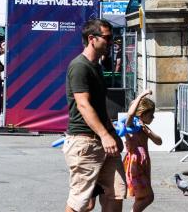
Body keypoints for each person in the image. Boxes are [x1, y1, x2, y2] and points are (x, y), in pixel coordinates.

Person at [63, 19, 126, 212]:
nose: (111, 41)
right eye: (107, 37)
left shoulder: (96, 66)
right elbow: (83, 104)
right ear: (92, 39)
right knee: (80, 202)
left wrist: (111, 133)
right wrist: (105, 135)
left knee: (116, 192)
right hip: (85, 141)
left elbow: (99, 107)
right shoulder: (79, 66)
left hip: (103, 139)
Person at [124, 90, 162, 212]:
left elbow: (159, 141)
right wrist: (141, 96)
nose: (153, 117)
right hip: (136, 165)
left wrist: (148, 131)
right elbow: (130, 114)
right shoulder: (131, 126)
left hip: (143, 164)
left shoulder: (144, 128)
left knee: (141, 197)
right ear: (142, 114)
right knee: (148, 197)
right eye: (151, 115)